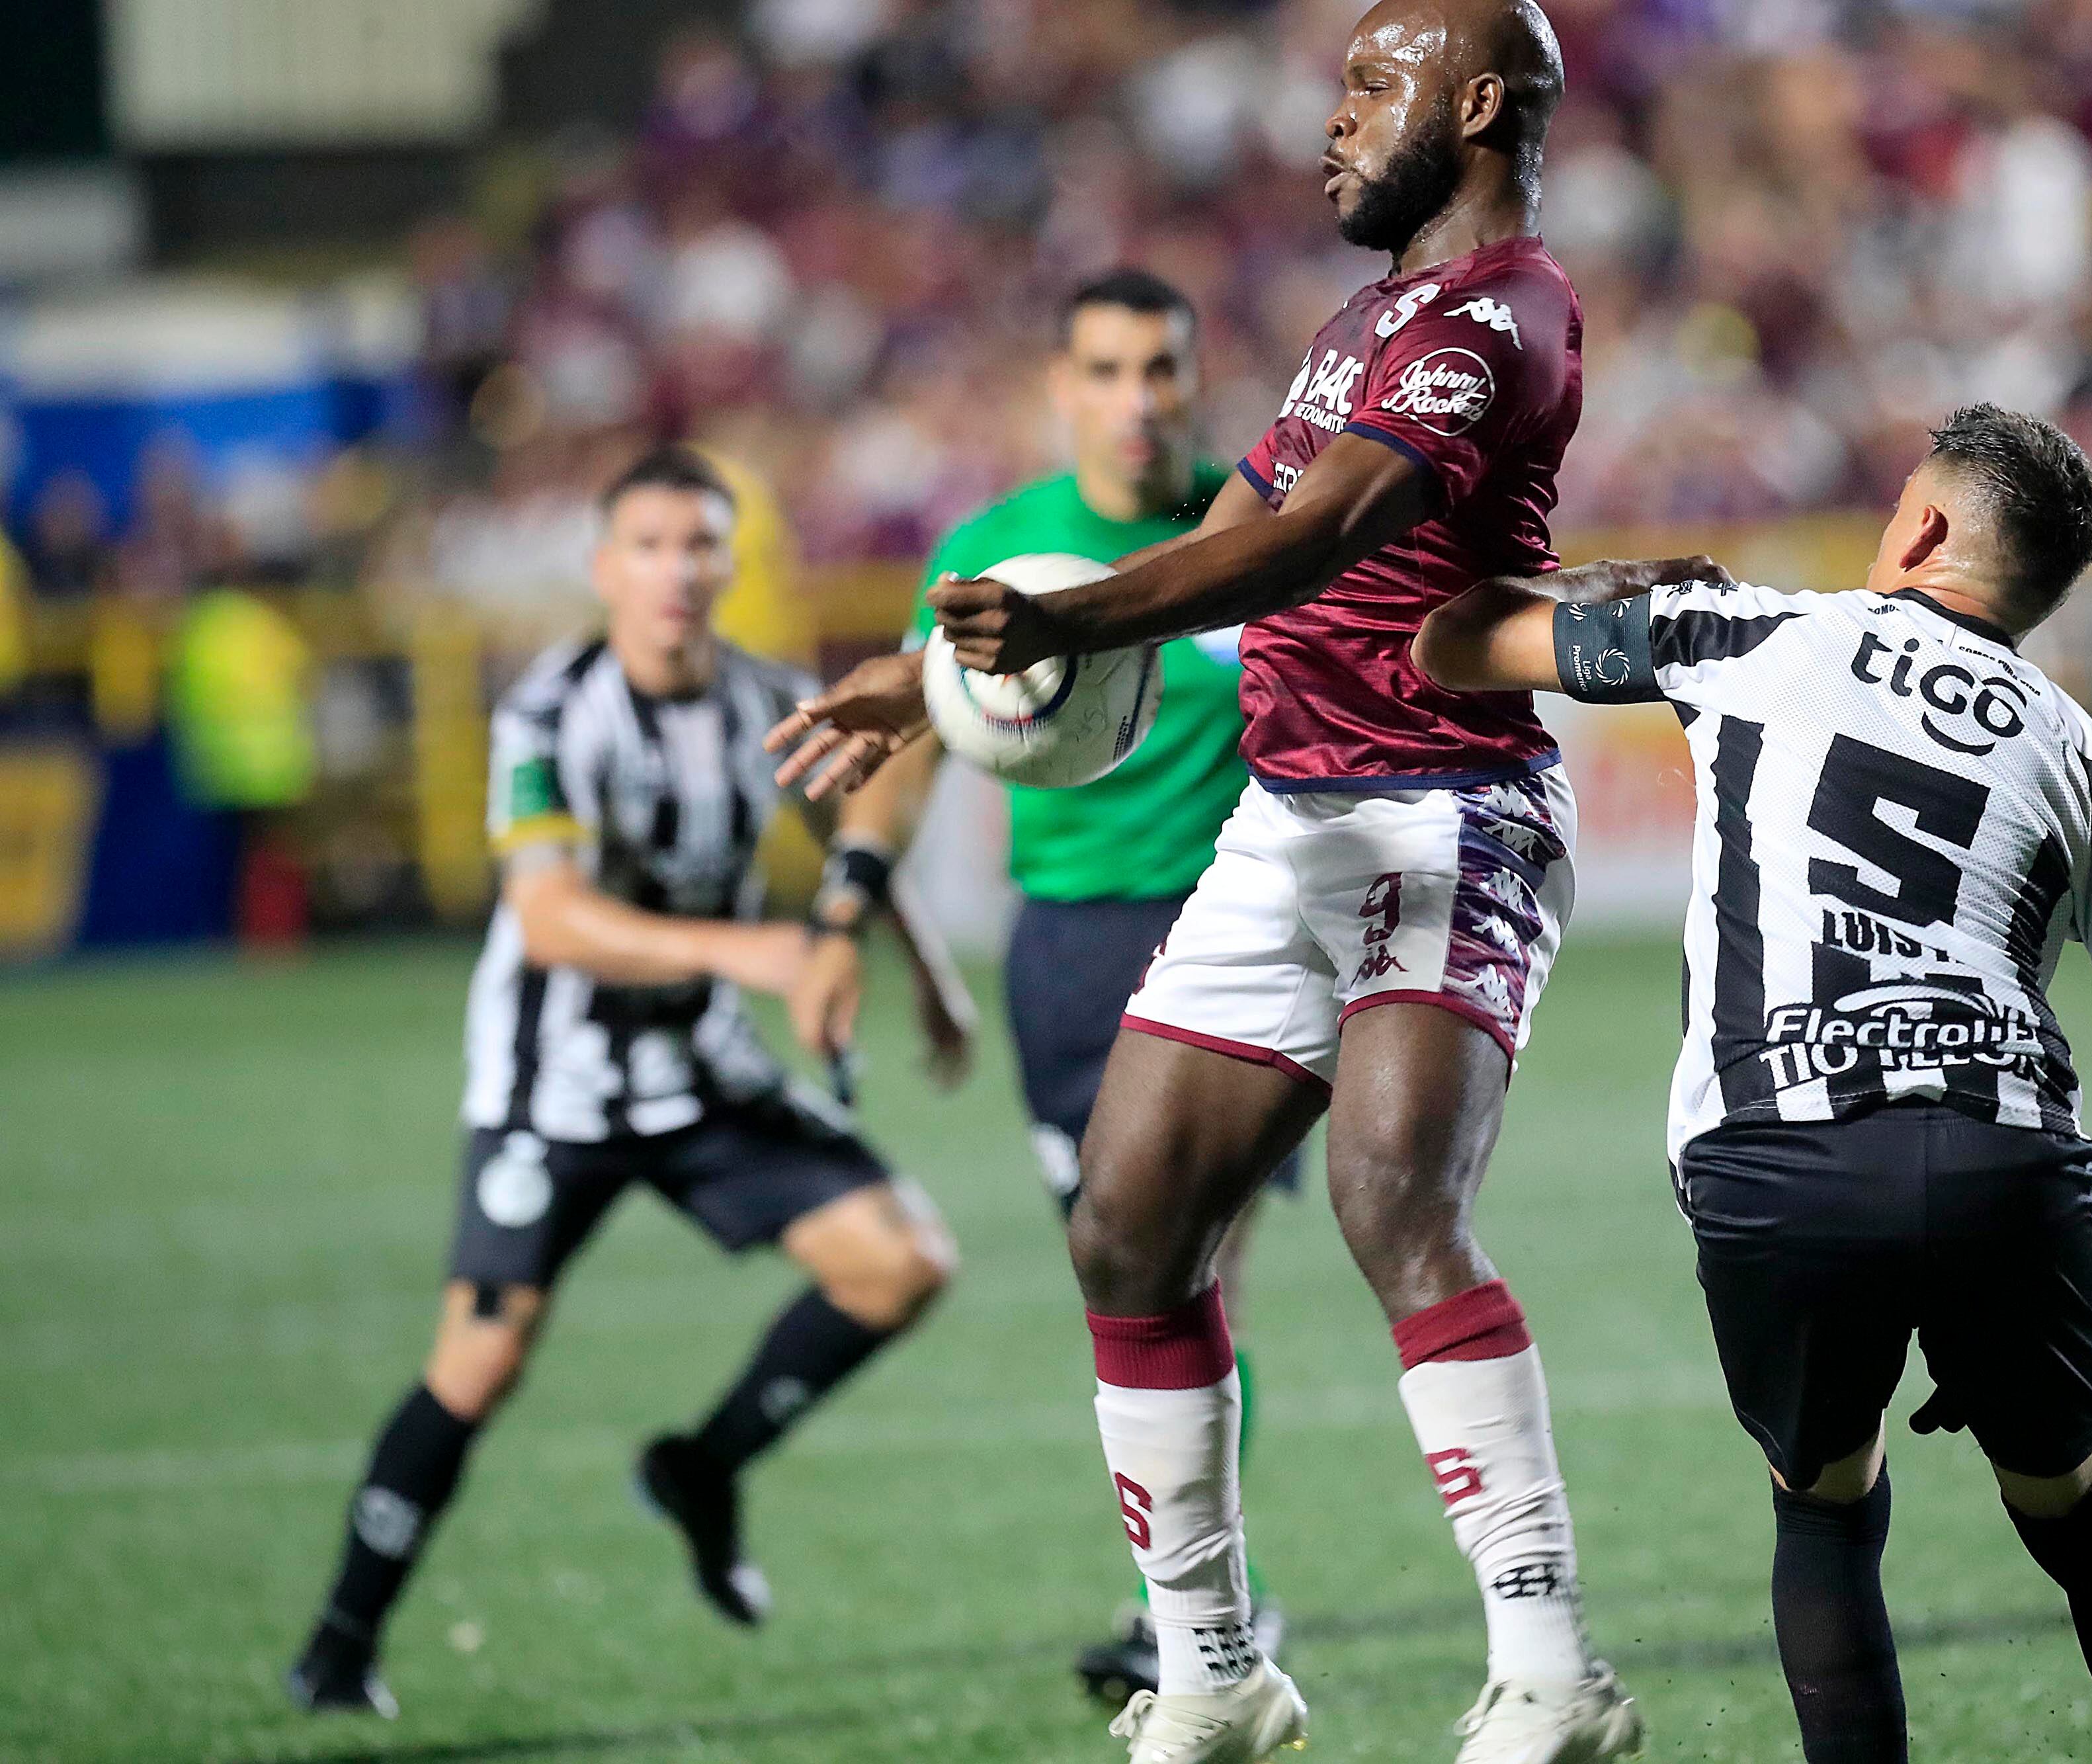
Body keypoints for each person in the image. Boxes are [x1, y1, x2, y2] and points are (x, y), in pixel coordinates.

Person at [769, 4, 1646, 1759]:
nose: (1329, 123)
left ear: (1476, 106)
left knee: (1395, 1196)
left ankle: (1553, 1670)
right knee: (1126, 1222)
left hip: (1446, 808)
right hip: (1294, 819)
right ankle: (1215, 1669)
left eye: (1368, 87)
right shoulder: (1359, 322)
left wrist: (1069, 620)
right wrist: (926, 681)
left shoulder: (1502, 313)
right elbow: (1226, 520)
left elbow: (1317, 536)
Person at [1411, 403, 2092, 1764]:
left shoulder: (1751, 633)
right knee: (2081, 1516)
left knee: (1824, 1507)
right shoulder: (2089, 759)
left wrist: (1604, 579)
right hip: (1998, 1149)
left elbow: (1451, 644)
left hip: (1779, 1148)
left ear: (1917, 526)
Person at [286, 446, 970, 1718]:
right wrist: (764, 950)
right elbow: (547, 920)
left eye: (701, 543)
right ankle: (340, 1641)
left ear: (730, 561)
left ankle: (704, 1469)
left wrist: (923, 971)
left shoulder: (765, 695)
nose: (677, 570)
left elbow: (854, 825)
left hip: (702, 1073)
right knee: (481, 1364)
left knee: (902, 1262)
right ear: (605, 568)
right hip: (555, 1088)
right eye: (650, 545)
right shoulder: (545, 715)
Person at [857, 267, 1300, 1701]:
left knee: (1198, 1261)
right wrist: (848, 903)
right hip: (1063, 950)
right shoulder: (997, 549)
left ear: (1191, 375)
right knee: (1118, 1277)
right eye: (1103, 370)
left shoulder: (1248, 534)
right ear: (1059, 387)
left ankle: (1193, 1612)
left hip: (1230, 929)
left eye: (1159, 368)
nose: (1135, 399)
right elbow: (911, 738)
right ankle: (1202, 1601)